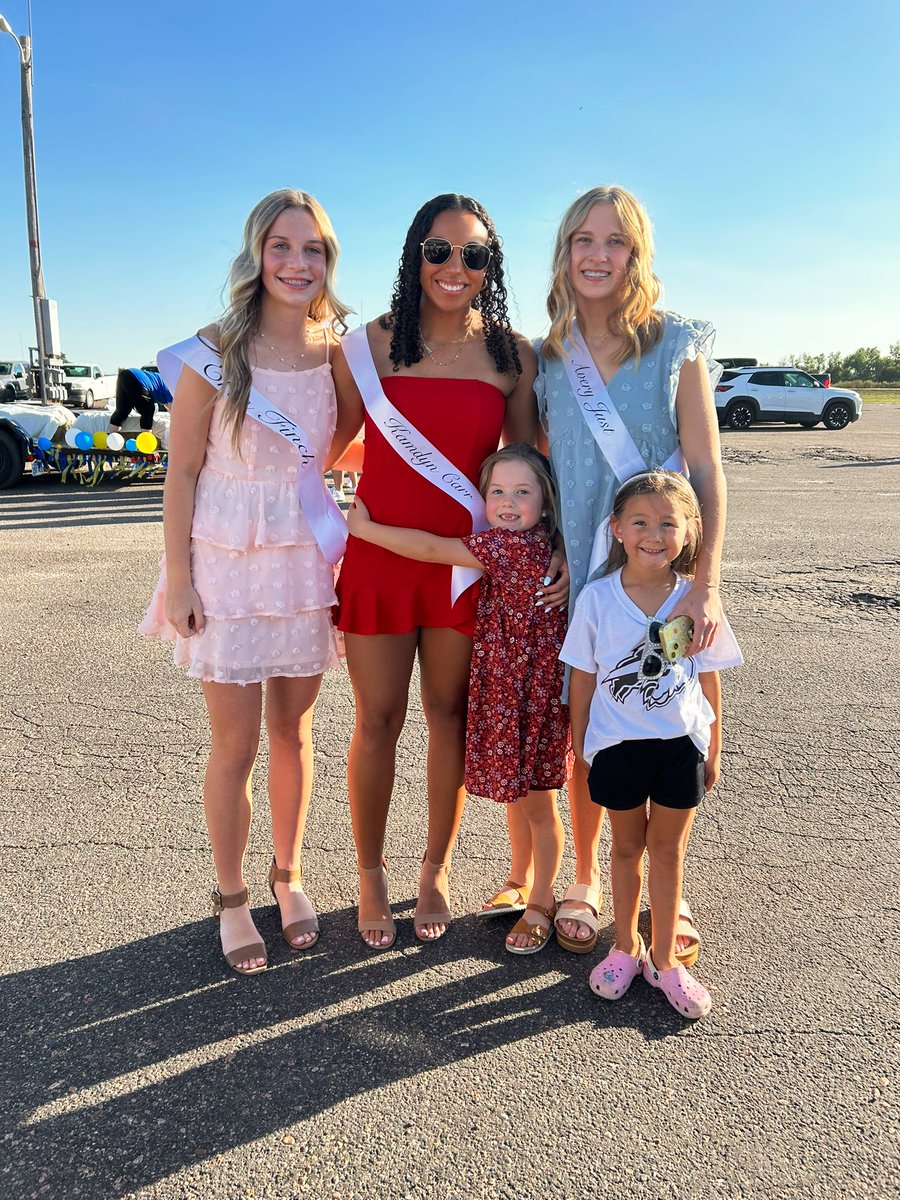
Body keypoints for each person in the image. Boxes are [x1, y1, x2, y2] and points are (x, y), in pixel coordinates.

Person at [330, 193, 564, 949]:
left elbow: (527, 469)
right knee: (378, 722)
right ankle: (371, 874)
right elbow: (321, 448)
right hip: (380, 558)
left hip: (467, 569)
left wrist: (552, 545)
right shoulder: (364, 346)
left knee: (449, 718)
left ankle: (435, 867)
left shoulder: (512, 354)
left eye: (473, 254)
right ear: (413, 256)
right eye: (439, 251)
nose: (454, 268)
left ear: (490, 265)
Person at [139, 189, 350, 974]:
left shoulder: (336, 350)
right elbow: (182, 472)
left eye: (315, 250)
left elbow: (350, 441)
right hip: (224, 559)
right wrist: (180, 577)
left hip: (301, 558)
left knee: (295, 734)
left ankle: (287, 874)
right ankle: (230, 894)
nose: (298, 264)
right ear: (258, 254)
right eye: (283, 247)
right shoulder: (211, 347)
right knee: (234, 746)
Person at [534, 185, 727, 958]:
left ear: (636, 253)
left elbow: (708, 470)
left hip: (664, 580)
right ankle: (585, 875)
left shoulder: (676, 345)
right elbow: (539, 466)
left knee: (664, 712)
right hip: (586, 577)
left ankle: (666, 892)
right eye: (583, 238)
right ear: (565, 250)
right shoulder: (549, 356)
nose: (597, 254)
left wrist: (705, 580)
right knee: (596, 726)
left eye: (615, 240)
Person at [347, 444, 572, 953]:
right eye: (496, 492)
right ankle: (527, 884)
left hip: (522, 696)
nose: (508, 503)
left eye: (522, 492)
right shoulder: (538, 541)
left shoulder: (505, 546)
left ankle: (541, 899)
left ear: (546, 501)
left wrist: (366, 532)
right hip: (525, 690)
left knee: (539, 802)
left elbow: (430, 550)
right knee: (533, 796)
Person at [561, 471, 742, 1017]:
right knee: (623, 850)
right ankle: (624, 946)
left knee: (668, 852)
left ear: (690, 532)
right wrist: (582, 746)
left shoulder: (696, 602)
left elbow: (709, 677)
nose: (654, 534)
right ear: (616, 528)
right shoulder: (596, 599)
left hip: (678, 748)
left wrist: (712, 748)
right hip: (617, 748)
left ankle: (665, 961)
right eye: (640, 522)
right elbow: (583, 679)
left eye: (669, 523)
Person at [108, 366, 173, 433]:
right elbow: (173, 411)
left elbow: (169, 407)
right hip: (135, 378)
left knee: (123, 410)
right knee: (148, 410)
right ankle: (145, 441)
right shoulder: (172, 388)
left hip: (124, 375)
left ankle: (110, 437)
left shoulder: (166, 381)